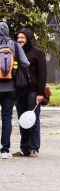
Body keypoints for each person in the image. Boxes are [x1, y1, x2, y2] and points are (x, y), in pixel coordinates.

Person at [13, 28, 47, 158]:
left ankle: (34, 148)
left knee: (33, 119)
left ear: (28, 38)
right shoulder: (14, 52)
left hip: (33, 92)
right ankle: (24, 148)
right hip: (19, 91)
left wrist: (40, 93)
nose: (20, 40)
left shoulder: (38, 53)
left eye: (22, 37)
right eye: (18, 38)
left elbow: (43, 74)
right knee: (23, 120)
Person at [0, 22, 29, 159]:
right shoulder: (15, 46)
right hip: (10, 88)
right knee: (6, 118)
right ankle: (5, 150)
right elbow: (25, 63)